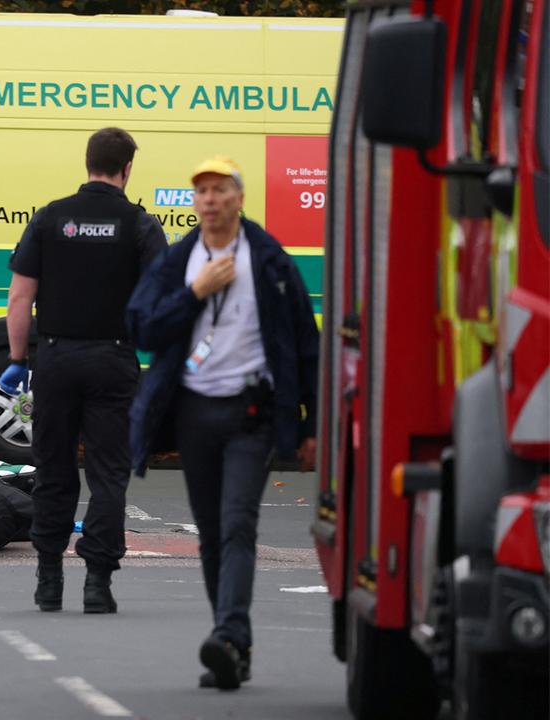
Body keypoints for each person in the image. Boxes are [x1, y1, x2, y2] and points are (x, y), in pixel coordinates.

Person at [125, 156, 319, 690]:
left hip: (250, 416)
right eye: (201, 191)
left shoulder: (270, 260)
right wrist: (196, 293)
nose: (209, 199)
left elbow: (306, 344)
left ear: (238, 198)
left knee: (237, 524)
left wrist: (312, 426)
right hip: (194, 416)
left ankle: (230, 636)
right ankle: (232, 643)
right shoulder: (181, 261)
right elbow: (142, 326)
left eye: (220, 190)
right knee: (211, 533)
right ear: (195, 202)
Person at [1, 127, 166, 614]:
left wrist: (15, 360)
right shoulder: (140, 225)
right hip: (114, 360)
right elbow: (161, 297)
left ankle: (48, 578)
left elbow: (19, 297)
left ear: (88, 162)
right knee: (108, 473)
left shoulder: (50, 218)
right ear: (127, 168)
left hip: (55, 357)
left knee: (53, 468)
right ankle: (98, 583)